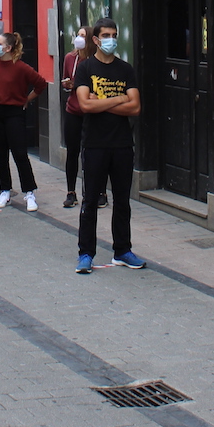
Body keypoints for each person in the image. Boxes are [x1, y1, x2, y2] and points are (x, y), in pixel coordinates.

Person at [73, 20, 144, 271]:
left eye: (114, 35)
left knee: (122, 201)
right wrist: (120, 98)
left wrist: (101, 101)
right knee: (90, 200)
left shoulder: (125, 69)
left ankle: (122, 250)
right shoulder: (85, 68)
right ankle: (86, 253)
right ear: (95, 40)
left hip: (122, 144)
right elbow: (85, 105)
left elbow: (135, 107)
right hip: (94, 144)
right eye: (105, 35)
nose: (110, 40)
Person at [0, 32, 43, 212]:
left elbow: (40, 83)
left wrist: (27, 99)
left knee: (19, 153)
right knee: (0, 153)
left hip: (14, 112)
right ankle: (4, 190)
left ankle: (29, 192)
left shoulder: (21, 67)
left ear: (8, 48)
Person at [60, 26, 90, 209]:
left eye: (83, 36)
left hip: (91, 112)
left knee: (91, 153)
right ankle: (71, 192)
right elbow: (65, 80)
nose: (79, 38)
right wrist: (67, 84)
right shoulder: (70, 58)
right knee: (72, 152)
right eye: (78, 35)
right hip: (73, 110)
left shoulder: (94, 61)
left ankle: (95, 192)